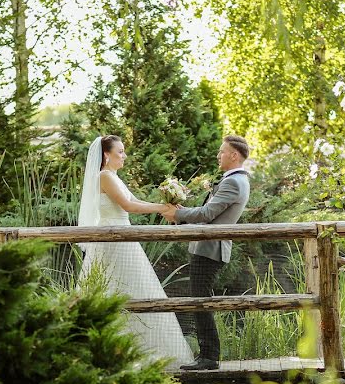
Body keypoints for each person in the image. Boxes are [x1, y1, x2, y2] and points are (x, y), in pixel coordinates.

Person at [77, 135, 195, 369]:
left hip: (125, 238)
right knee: (115, 290)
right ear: (106, 155)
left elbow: (134, 200)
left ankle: (138, 351)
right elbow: (128, 206)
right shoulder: (104, 176)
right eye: (120, 152)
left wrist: (165, 207)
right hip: (113, 240)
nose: (124, 155)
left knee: (134, 290)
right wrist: (164, 208)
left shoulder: (114, 177)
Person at [162, 136, 251, 371]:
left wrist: (178, 215)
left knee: (200, 300)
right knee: (199, 299)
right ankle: (207, 355)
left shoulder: (234, 182)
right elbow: (207, 212)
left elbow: (208, 213)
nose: (218, 156)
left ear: (234, 155)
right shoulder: (234, 180)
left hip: (210, 248)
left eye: (222, 152)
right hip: (207, 246)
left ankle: (209, 357)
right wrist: (182, 214)